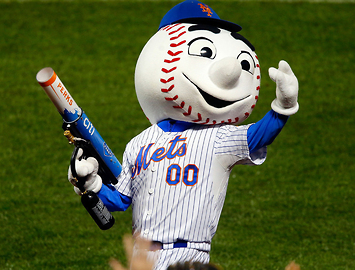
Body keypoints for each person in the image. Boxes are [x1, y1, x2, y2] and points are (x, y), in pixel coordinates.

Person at [70, 1, 299, 269]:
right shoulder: (139, 143)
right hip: (141, 258)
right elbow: (120, 200)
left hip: (189, 257)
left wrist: (282, 108)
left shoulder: (218, 139)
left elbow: (259, 136)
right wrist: (92, 184)